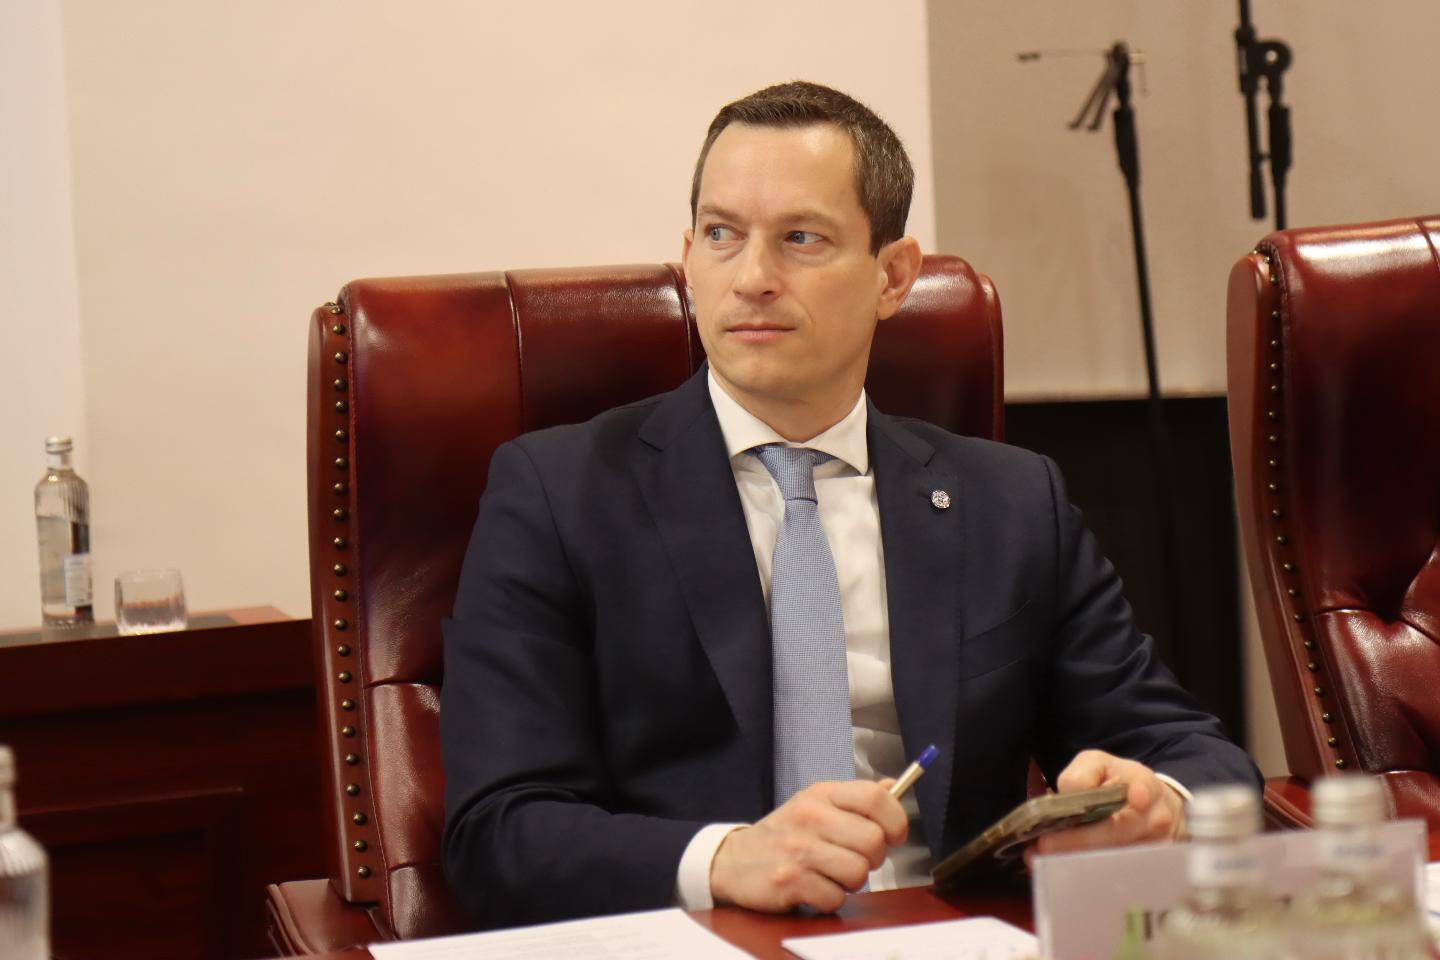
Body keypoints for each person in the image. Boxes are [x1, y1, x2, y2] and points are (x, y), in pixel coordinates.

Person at [440, 80, 1259, 930]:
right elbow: (497, 833)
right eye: (721, 235)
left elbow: (1194, 754)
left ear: (892, 276)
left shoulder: (1010, 503)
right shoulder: (561, 493)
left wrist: (1156, 804)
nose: (751, 278)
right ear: (688, 256)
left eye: (801, 238)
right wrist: (726, 858)